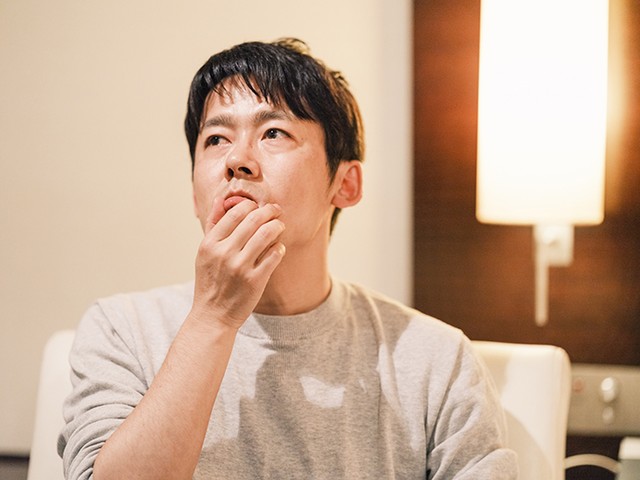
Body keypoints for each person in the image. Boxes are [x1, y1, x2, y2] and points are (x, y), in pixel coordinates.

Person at [58, 38, 518, 479]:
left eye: (273, 132)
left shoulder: (435, 359)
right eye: (215, 139)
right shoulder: (122, 330)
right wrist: (214, 317)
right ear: (195, 193)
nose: (236, 160)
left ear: (345, 184)